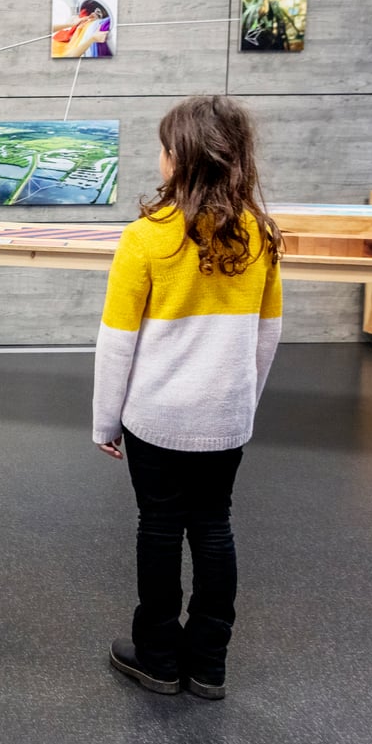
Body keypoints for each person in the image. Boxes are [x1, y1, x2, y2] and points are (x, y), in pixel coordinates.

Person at [96, 96, 282, 701]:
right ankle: (207, 665)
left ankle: (157, 658)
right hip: (225, 417)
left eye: (164, 147)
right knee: (213, 525)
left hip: (156, 418)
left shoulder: (145, 237)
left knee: (159, 526)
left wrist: (105, 421)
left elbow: (117, 341)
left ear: (179, 159)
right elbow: (267, 335)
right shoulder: (259, 235)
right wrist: (243, 402)